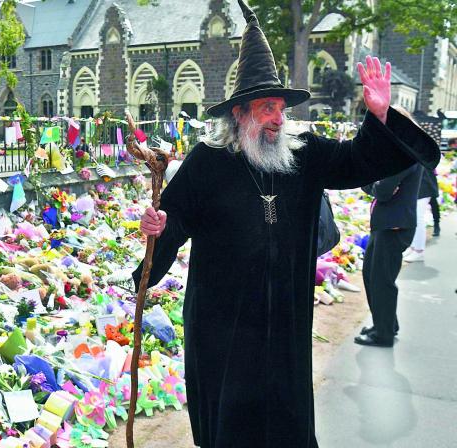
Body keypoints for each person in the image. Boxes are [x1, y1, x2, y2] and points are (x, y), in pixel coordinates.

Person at [132, 1, 440, 446]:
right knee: (231, 425)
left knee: (285, 422)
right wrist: (157, 229)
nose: (278, 118)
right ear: (239, 113)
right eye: (267, 108)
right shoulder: (208, 161)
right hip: (225, 324)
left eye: (280, 107)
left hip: (284, 322)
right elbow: (174, 218)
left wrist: (378, 116)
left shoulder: (305, 153)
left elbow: (359, 161)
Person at [358, 163, 422, 346]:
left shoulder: (404, 156)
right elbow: (377, 187)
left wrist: (374, 184)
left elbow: (383, 191)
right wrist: (375, 184)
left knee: (381, 280)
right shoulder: (400, 155)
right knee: (371, 275)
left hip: (393, 225)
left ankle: (383, 333)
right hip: (386, 223)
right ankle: (385, 324)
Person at [404, 167, 439, 262]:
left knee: (418, 219)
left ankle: (419, 250)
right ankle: (413, 247)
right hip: (419, 185)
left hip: (423, 186)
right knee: (414, 218)